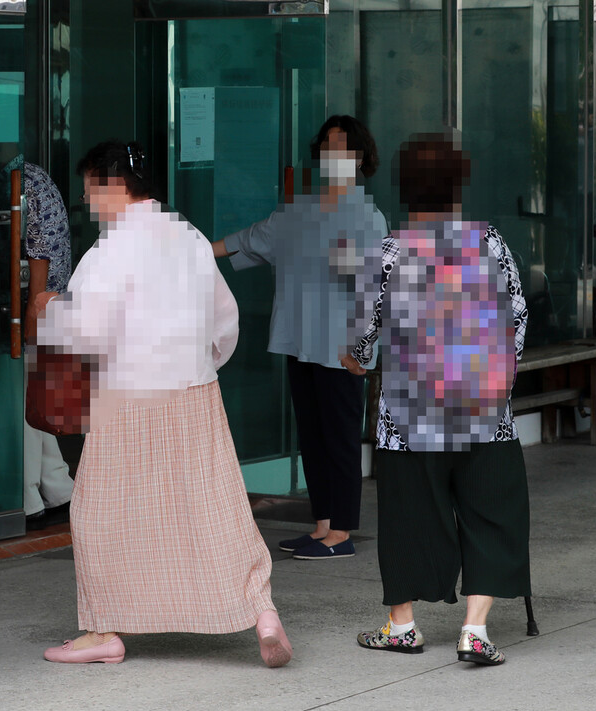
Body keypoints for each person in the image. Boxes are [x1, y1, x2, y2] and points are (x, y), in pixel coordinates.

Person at [34, 140, 291, 668]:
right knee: (214, 509)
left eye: (89, 191)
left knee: (99, 513)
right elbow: (225, 319)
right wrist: (199, 369)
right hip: (195, 393)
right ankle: (261, 611)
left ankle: (103, 630)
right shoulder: (189, 237)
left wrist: (47, 308)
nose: (88, 203)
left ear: (112, 187)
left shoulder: (109, 251)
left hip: (126, 399)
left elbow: (81, 335)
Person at [344, 133, 530, 665]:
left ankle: (402, 626)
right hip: (485, 412)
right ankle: (476, 630)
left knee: (408, 517)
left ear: (406, 189)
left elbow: (363, 329)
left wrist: (358, 357)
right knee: (491, 513)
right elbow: (516, 315)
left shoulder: (389, 252)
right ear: (458, 185)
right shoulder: (489, 241)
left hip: (409, 416)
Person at [212, 115, 388, 560]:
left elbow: (378, 287)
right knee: (312, 435)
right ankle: (323, 524)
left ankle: (342, 532)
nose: (334, 156)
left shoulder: (368, 217)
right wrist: (188, 248)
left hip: (343, 346)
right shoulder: (300, 210)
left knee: (341, 437)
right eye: (327, 147)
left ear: (361, 158)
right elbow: (249, 240)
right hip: (299, 340)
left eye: (344, 148)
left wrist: (366, 348)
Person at [8, 157, 75, 526]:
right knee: (32, 401)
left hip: (32, 307)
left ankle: (27, 497)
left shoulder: (22, 181)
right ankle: (58, 486)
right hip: (45, 305)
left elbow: (40, 251)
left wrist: (30, 320)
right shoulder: (36, 175)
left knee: (22, 403)